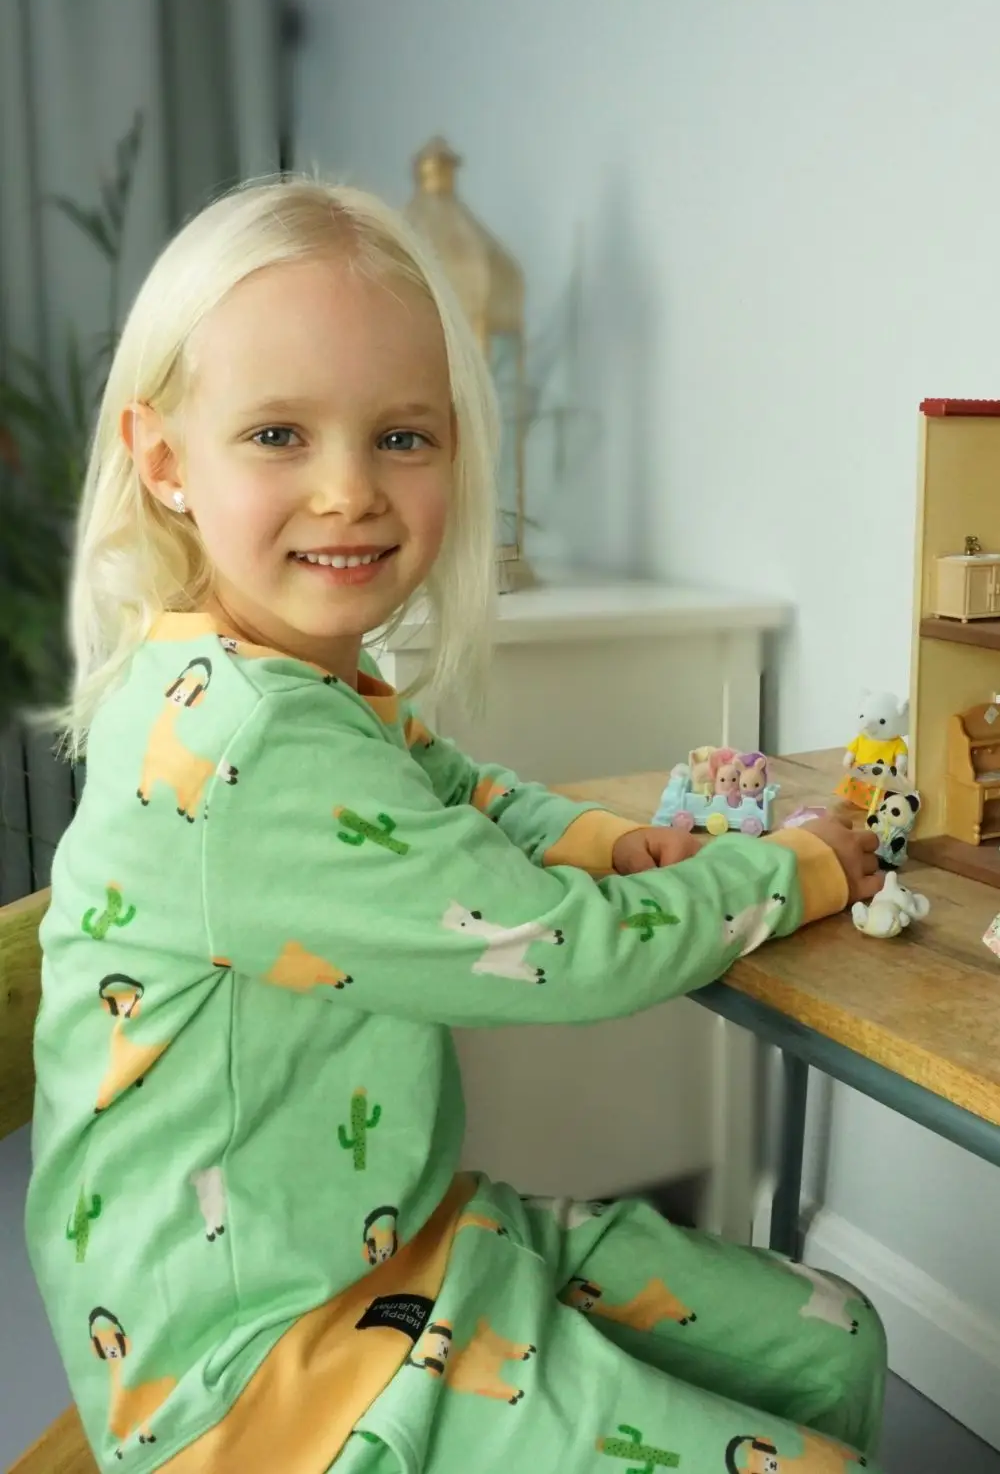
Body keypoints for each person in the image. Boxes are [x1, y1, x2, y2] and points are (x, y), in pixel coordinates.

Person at [27, 178, 886, 1474]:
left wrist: (606, 842)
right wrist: (800, 868)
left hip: (393, 1238)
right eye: (277, 435)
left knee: (836, 1338)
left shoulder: (293, 680)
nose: (348, 493)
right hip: (260, 1371)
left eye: (402, 438)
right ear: (165, 462)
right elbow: (560, 953)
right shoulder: (249, 739)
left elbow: (458, 788)